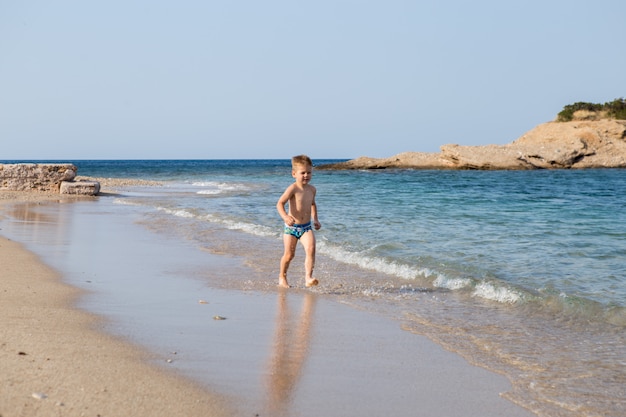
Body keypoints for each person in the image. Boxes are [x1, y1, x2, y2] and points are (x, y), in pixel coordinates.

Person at [276, 155, 321, 288]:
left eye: (309, 172)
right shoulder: (293, 188)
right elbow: (280, 203)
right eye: (303, 173)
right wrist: (285, 216)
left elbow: (313, 204)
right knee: (289, 255)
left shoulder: (312, 189)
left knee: (311, 249)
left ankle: (308, 277)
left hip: (306, 227)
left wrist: (316, 219)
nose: (306, 175)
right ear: (294, 174)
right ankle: (282, 277)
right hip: (291, 228)